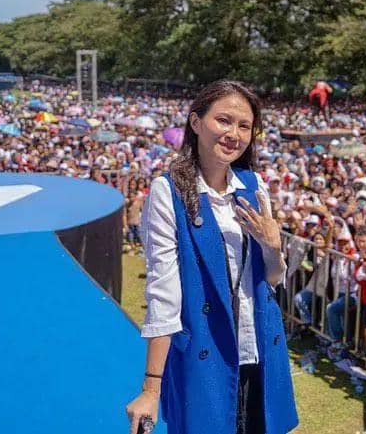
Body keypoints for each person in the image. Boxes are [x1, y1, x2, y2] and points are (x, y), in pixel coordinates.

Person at [125, 80, 298, 434]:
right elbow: (164, 293)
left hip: (260, 348)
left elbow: (274, 278)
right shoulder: (167, 191)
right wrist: (150, 388)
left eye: (244, 126)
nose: (234, 133)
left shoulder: (253, 185)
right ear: (195, 122)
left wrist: (273, 246)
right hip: (207, 352)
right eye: (224, 120)